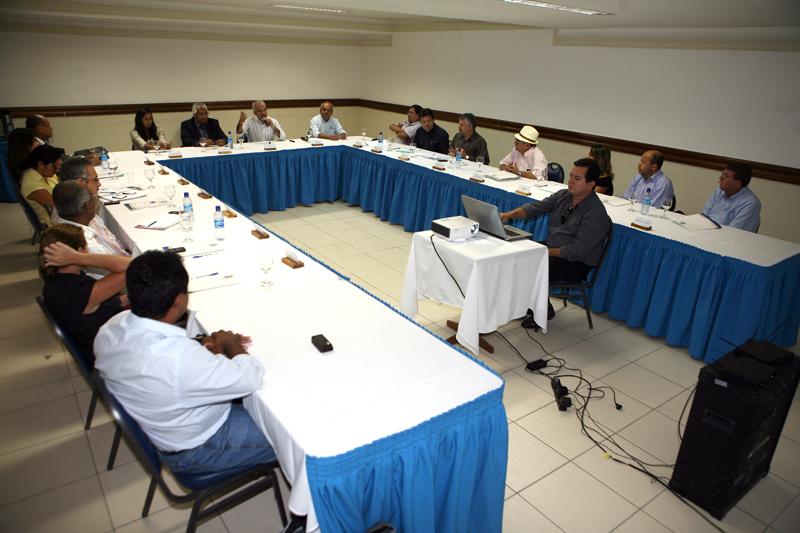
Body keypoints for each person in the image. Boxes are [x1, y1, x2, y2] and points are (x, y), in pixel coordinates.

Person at [94, 250, 277, 476]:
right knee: (296, 431)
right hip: (199, 447)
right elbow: (251, 377)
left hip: (165, 425)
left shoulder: (111, 326)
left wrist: (200, 346)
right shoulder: (178, 359)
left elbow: (173, 362)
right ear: (180, 300)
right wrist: (231, 346)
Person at [500, 158, 611, 329]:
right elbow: (537, 207)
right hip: (552, 249)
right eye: (571, 176)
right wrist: (508, 215)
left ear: (591, 184)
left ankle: (543, 310)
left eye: (577, 178)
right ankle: (528, 304)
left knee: (532, 265)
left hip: (576, 263)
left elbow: (577, 250)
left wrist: (543, 251)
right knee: (518, 256)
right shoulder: (564, 195)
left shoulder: (595, 213)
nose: (570, 181)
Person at [39, 224, 129, 364]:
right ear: (79, 251)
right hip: (110, 352)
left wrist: (133, 297)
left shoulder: (58, 280)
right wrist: (78, 258)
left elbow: (105, 304)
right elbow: (133, 266)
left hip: (103, 337)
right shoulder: (76, 291)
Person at [53, 156, 130, 257]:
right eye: (96, 179)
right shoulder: (86, 241)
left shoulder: (66, 205)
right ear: (81, 182)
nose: (99, 184)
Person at [701, 162, 761, 232]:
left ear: (737, 183)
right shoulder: (719, 191)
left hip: (725, 237)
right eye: (722, 175)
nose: (720, 178)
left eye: (725, 176)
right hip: (706, 232)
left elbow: (733, 232)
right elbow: (703, 216)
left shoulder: (750, 203)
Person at [20, 144, 62, 226]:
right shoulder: (34, 186)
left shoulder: (39, 172)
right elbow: (60, 210)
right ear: (41, 164)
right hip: (55, 225)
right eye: (54, 167)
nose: (56, 170)